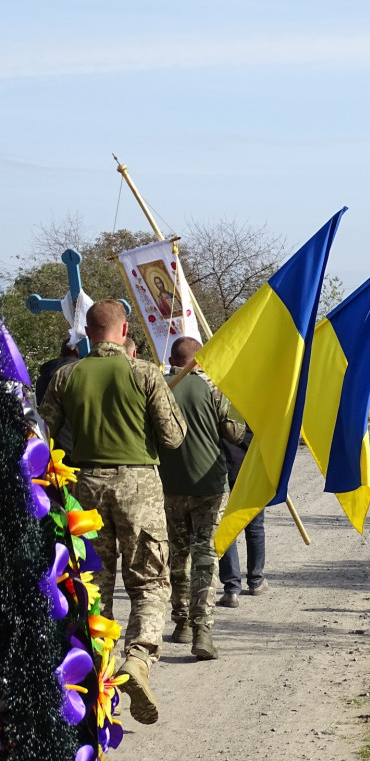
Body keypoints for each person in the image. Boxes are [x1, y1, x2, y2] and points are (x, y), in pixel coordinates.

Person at [40, 299, 187, 726]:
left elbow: (43, 432)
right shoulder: (142, 373)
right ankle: (138, 661)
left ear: (87, 333)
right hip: (138, 486)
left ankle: (92, 681)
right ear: (124, 332)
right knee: (149, 581)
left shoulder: (67, 375)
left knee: (93, 586)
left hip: (85, 489)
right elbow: (174, 436)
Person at [158, 337, 244, 660]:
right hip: (209, 485)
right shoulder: (212, 389)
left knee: (178, 556)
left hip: (170, 485)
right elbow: (235, 432)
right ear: (200, 360)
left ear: (172, 358)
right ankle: (203, 631)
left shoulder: (159, 387)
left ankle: (180, 622)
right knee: (205, 555)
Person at [217, 426, 268, 607]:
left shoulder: (220, 399)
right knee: (255, 527)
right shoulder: (255, 404)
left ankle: (231, 589)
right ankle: (256, 581)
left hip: (224, 469)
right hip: (252, 470)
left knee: (226, 529)